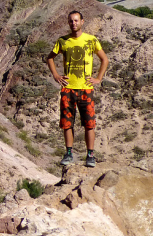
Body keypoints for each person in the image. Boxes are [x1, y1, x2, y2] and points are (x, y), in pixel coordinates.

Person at [46, 10, 109, 168]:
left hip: (86, 89)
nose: (73, 23)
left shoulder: (91, 40)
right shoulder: (63, 41)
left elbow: (104, 59)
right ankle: (68, 153)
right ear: (68, 23)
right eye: (71, 21)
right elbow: (50, 58)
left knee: (89, 123)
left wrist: (98, 78)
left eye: (76, 20)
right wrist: (56, 75)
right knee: (67, 123)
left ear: (82, 21)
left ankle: (90, 155)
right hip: (68, 88)